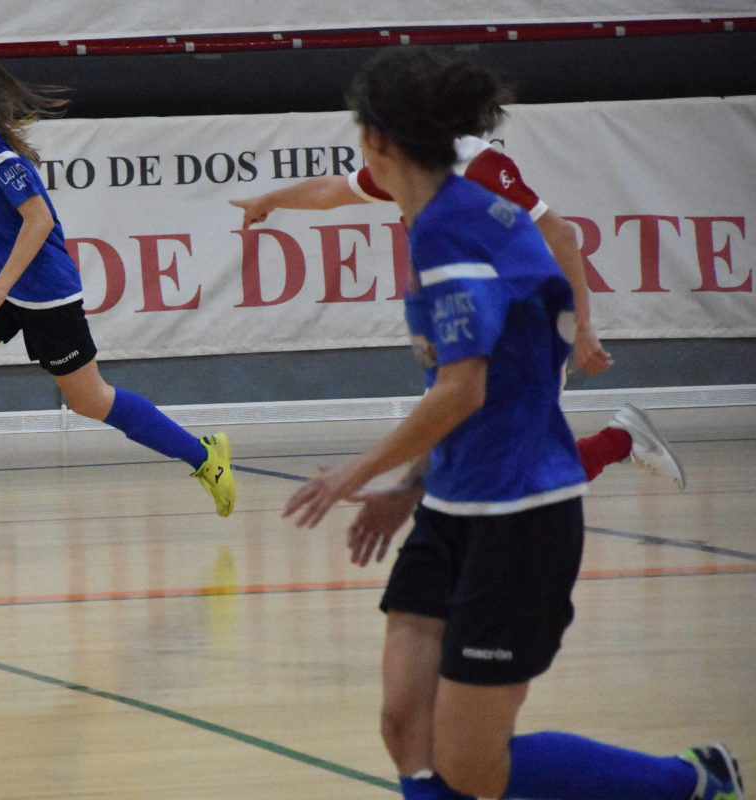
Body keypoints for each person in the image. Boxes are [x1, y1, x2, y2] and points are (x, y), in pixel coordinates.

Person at [282, 49, 742, 800]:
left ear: (378, 143)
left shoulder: (450, 232)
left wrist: (354, 474)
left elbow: (464, 389)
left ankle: (691, 781)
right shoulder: (453, 215)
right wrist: (410, 485)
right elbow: (498, 371)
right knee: (405, 728)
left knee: (467, 767)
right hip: (451, 504)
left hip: (519, 520)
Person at [0, 50, 234, 534]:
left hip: (45, 294)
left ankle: (205, 458)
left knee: (90, 401)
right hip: (3, 281)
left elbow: (39, 221)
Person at [231, 105, 686, 492]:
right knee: (489, 473)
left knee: (481, 474)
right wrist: (270, 198)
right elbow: (332, 190)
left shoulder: (480, 167)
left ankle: (618, 444)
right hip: (464, 332)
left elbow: (563, 235)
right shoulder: (406, 166)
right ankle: (621, 441)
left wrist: (583, 327)